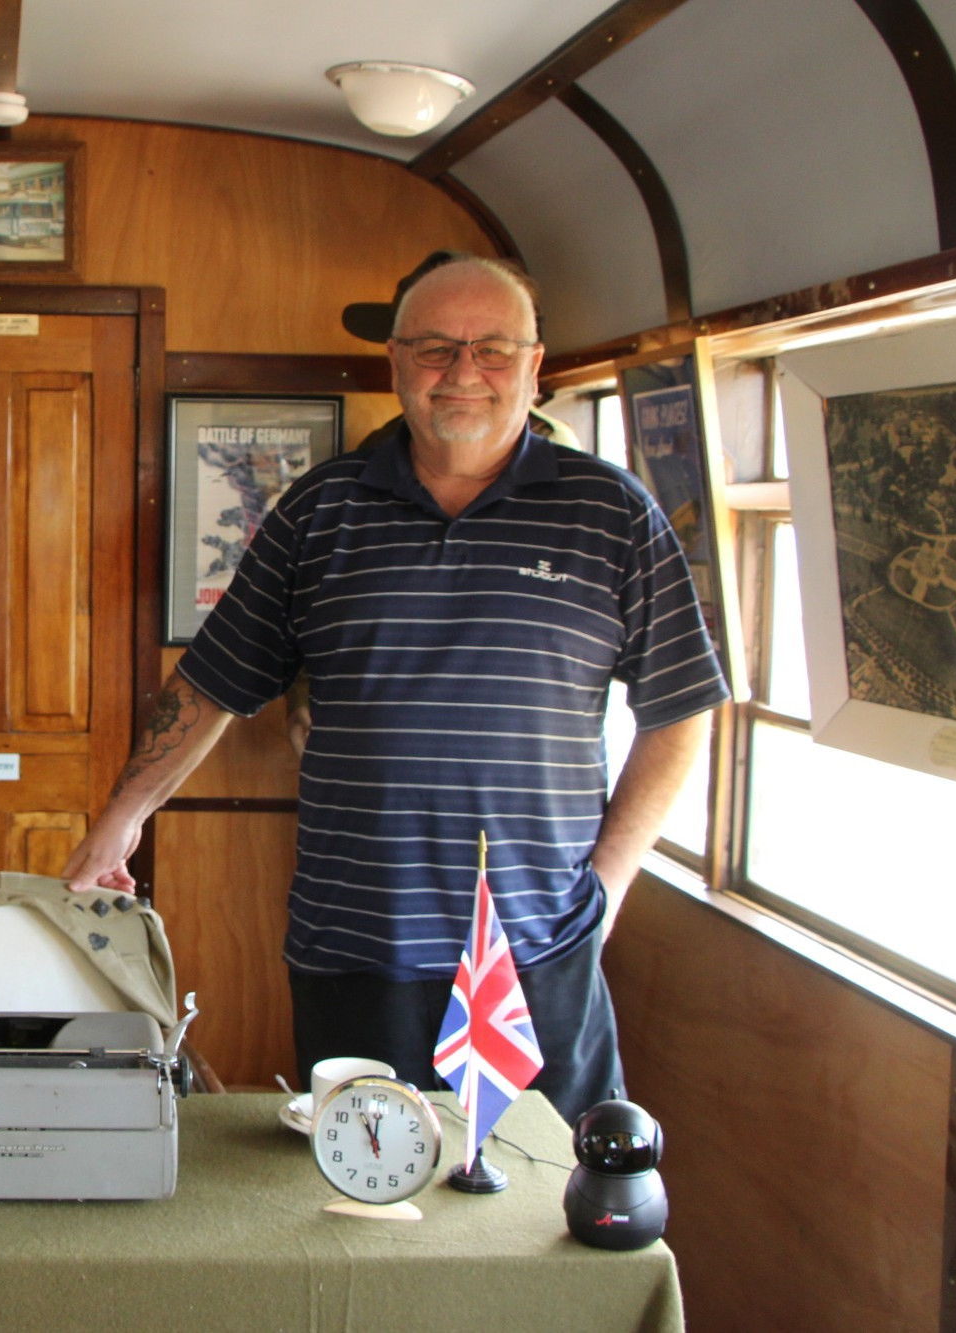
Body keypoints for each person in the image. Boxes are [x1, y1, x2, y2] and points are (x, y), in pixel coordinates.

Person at [65, 255, 730, 1121]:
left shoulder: (613, 514)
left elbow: (681, 710)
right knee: (364, 1199)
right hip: (354, 947)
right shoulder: (318, 511)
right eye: (433, 349)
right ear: (395, 363)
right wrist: (121, 819)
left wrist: (607, 884)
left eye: (492, 349)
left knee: (538, 1211)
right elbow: (211, 682)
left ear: (535, 366)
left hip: (534, 948)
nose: (462, 373)